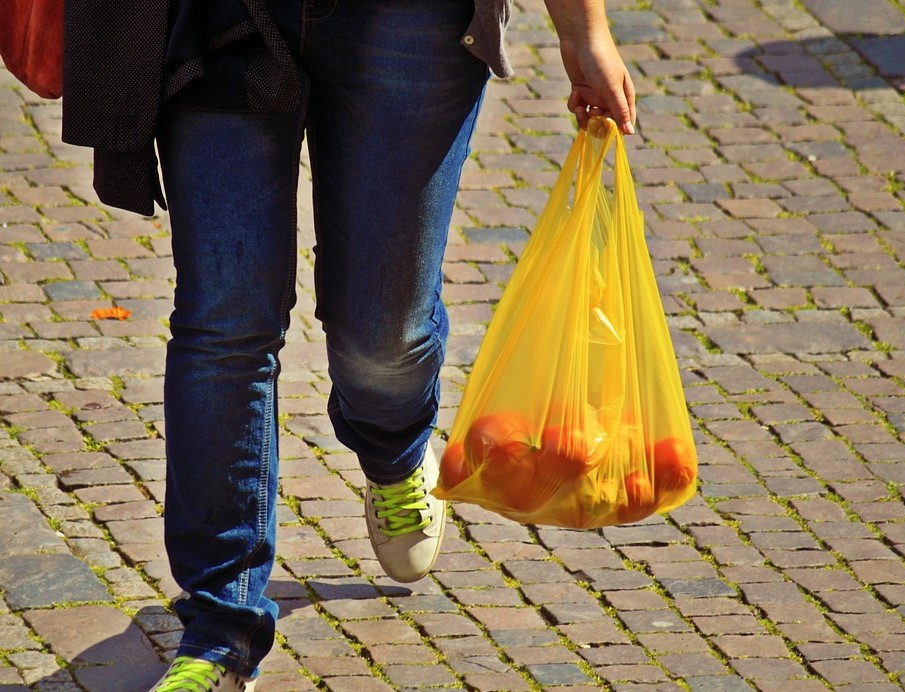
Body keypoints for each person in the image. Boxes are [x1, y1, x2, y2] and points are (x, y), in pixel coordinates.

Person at [61, 0, 635, 690]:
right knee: (224, 321)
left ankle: (392, 450)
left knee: (383, 334)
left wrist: (585, 30)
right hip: (216, 14)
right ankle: (219, 630)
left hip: (409, 20)